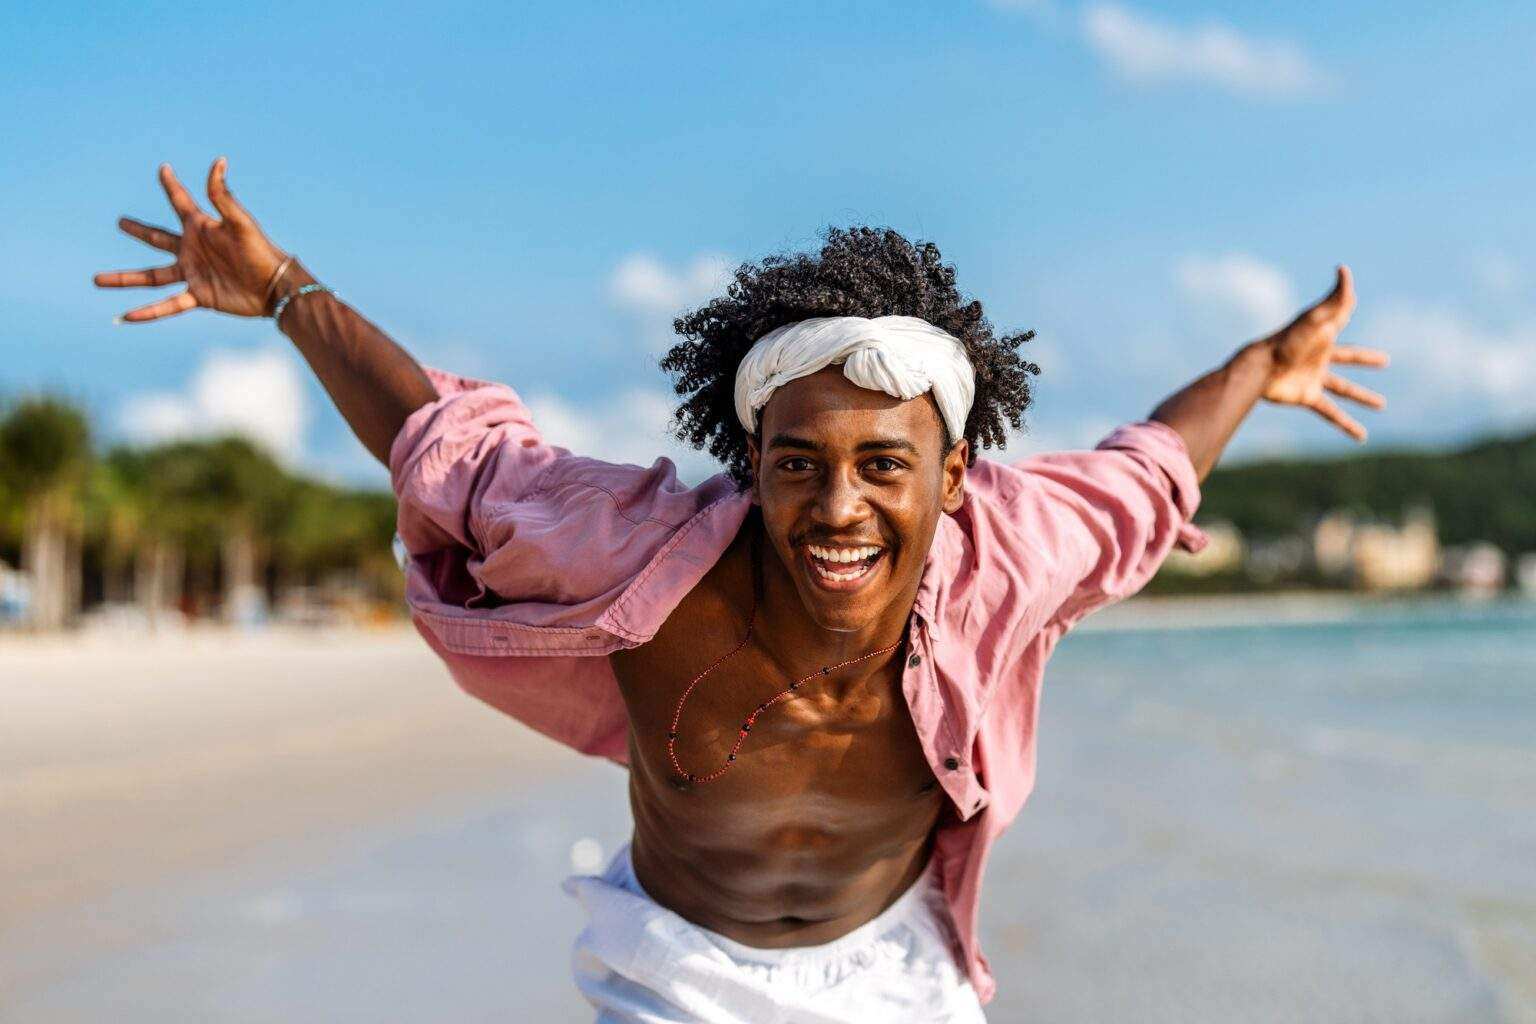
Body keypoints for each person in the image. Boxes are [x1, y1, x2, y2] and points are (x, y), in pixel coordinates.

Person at [95, 158, 1389, 1022]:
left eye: (885, 466)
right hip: (678, 977)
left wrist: (1260, 363)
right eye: (797, 465)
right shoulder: (640, 551)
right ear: (750, 465)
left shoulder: (1009, 547)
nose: (838, 507)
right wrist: (282, 293)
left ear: (954, 474)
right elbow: (456, 453)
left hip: (900, 975)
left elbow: (1143, 474)